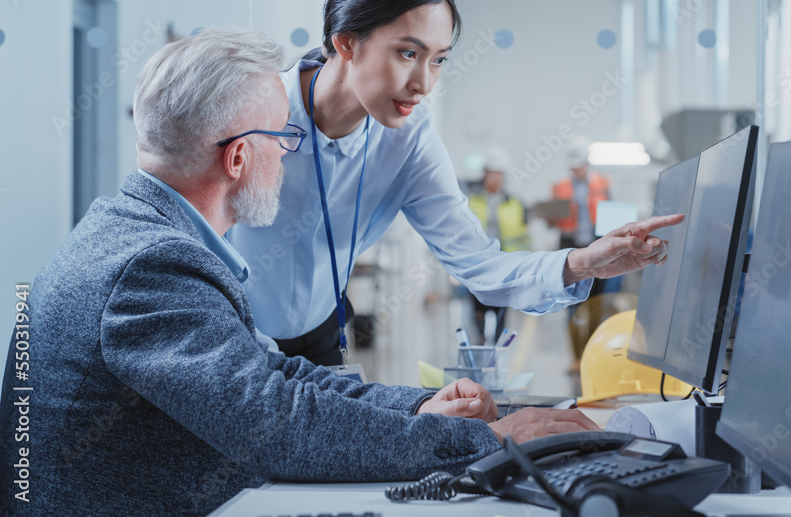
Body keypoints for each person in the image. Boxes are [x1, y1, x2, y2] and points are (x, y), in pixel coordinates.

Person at [0, 28, 599, 516]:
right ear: (237, 157)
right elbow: (273, 423)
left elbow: (270, 377)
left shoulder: (136, 233)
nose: (291, 151)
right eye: (283, 136)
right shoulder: (151, 267)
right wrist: (486, 441)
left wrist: (418, 408)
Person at [227, 0, 682, 366]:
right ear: (347, 42)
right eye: (408, 53)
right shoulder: (248, 112)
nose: (423, 83)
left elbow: (480, 265)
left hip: (322, 335)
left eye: (439, 59)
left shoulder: (410, 140)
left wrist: (583, 262)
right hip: (230, 332)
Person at [464, 148, 529, 342]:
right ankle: (480, 343)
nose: (495, 178)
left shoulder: (515, 203)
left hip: (504, 266)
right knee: (478, 310)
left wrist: (523, 267)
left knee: (501, 311)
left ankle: (498, 353)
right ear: (484, 174)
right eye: (491, 172)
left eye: (498, 173)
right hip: (479, 265)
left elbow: (523, 237)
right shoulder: (470, 201)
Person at [552, 139, 613, 296]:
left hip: (596, 242)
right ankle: (574, 319)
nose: (576, 170)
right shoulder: (561, 187)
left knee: (596, 290)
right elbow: (553, 221)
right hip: (570, 244)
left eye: (579, 166)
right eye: (573, 166)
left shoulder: (602, 183)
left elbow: (612, 211)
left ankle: (595, 320)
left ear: (587, 162)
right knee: (570, 291)